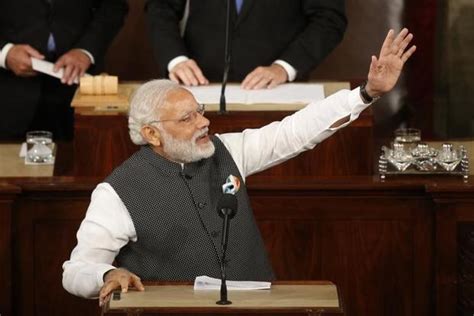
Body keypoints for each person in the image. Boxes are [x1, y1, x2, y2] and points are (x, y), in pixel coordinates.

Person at [62, 29, 416, 306]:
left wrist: (366, 93)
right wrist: (107, 273)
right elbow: (76, 269)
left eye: (200, 110)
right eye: (188, 118)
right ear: (152, 133)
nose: (204, 123)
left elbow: (294, 132)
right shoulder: (117, 192)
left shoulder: (227, 149)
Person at [0, 0, 129, 140]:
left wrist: (86, 50)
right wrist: (5, 53)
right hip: (8, 92)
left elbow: (113, 5)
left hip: (79, 90)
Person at [145, 0, 347, 89]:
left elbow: (328, 19)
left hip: (277, 93)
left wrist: (284, 67)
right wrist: (175, 59)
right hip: (199, 87)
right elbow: (161, 7)